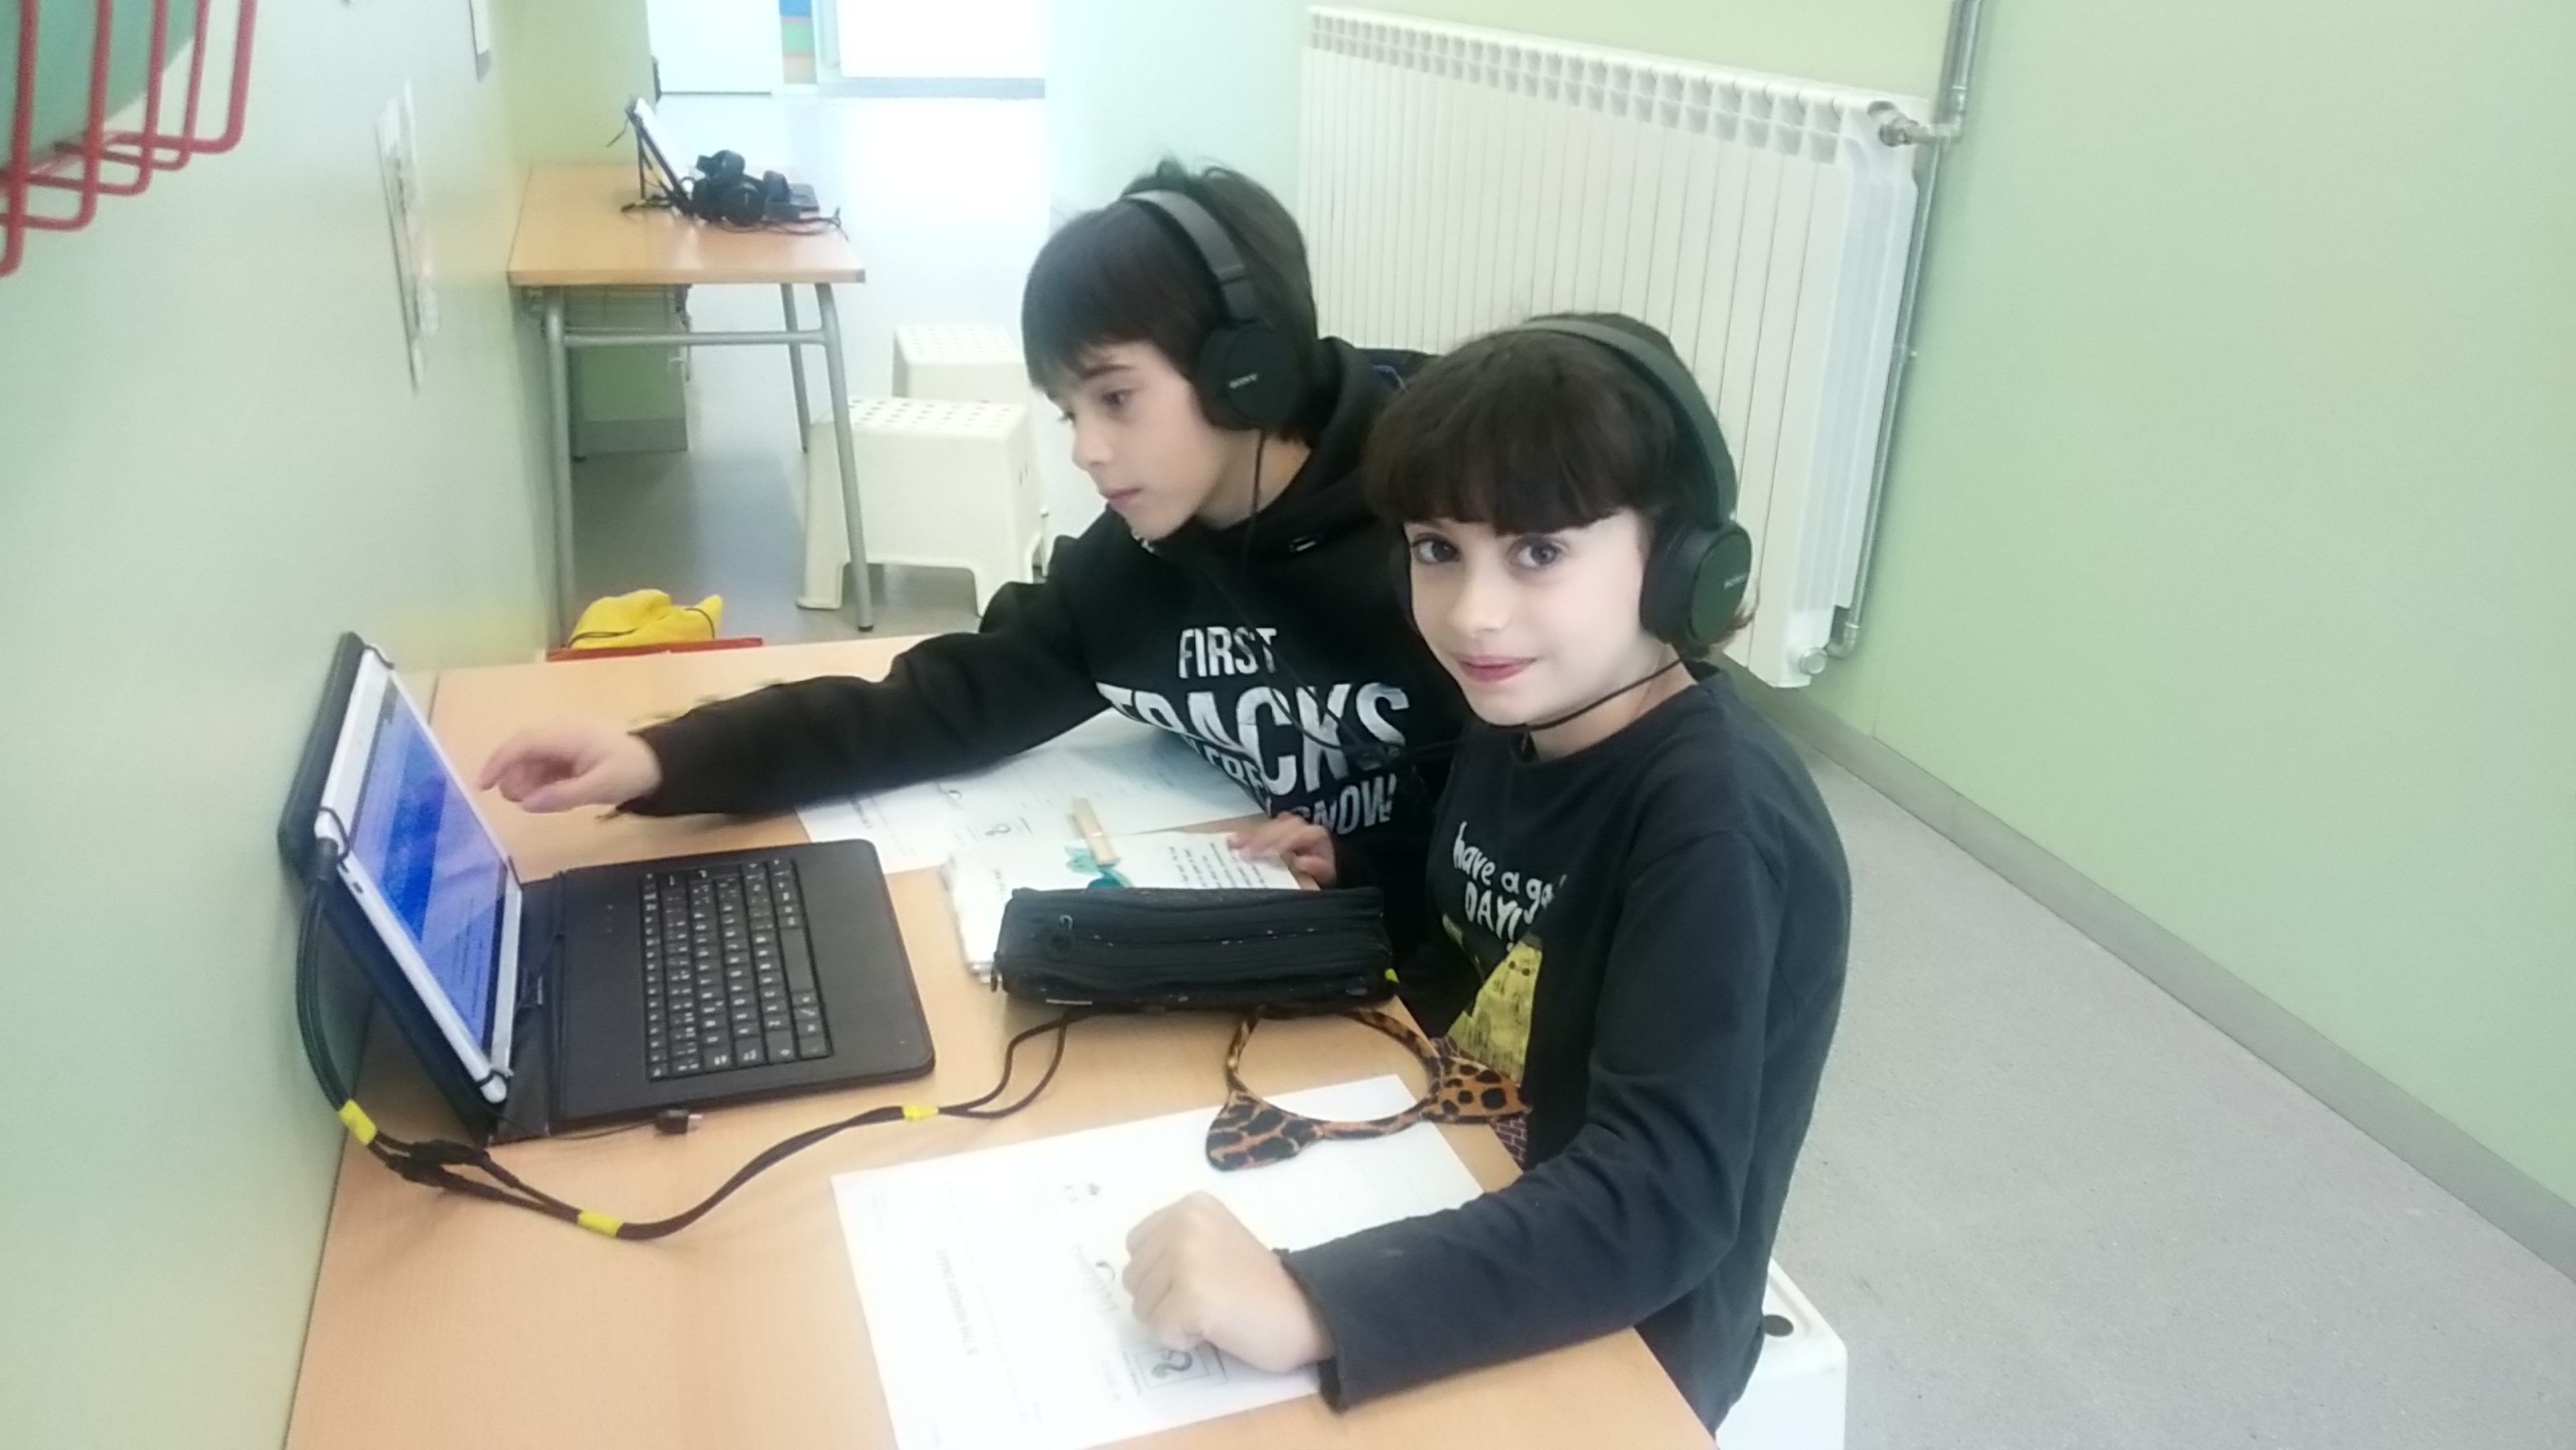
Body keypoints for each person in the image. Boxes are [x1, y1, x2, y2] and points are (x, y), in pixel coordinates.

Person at [1121, 314, 1851, 1429]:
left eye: (1540, 552)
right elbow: (1501, 933)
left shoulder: (1715, 824)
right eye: (1437, 549)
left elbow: (1659, 1200)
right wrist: (1365, 870)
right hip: (1470, 1183)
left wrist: (1315, 1302)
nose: (1473, 613)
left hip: (1629, 1329)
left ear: (1682, 561)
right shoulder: (1527, 718)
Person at [477, 162, 1463, 945]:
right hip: (1302, 928)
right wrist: (660, 756)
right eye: (1070, 411)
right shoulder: (1134, 566)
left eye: (1117, 398)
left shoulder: (1452, 539)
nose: (1086, 450)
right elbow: (931, 705)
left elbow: (1534, 821)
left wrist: (1373, 867)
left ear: (1247, 374)